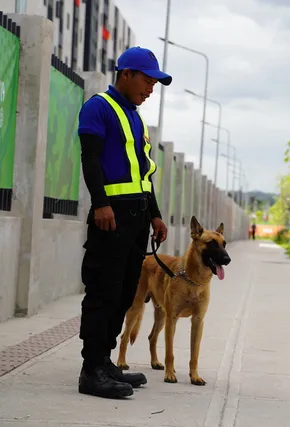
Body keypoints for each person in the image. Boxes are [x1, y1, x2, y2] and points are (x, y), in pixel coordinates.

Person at [76, 46, 171, 399]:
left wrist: (156, 214)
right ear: (126, 74)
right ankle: (91, 370)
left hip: (137, 218)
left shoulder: (135, 116)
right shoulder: (100, 107)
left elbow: (144, 173)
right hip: (110, 217)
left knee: (123, 293)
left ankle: (106, 362)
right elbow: (90, 158)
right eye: (147, 80)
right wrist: (100, 204)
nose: (150, 89)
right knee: (102, 291)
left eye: (155, 83)